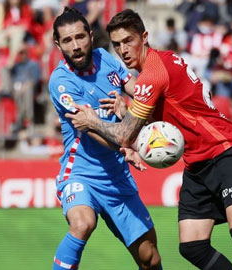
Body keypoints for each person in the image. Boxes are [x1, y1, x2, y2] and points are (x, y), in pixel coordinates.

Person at [66, 9, 232, 270]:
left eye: (128, 41)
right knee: (192, 246)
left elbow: (123, 136)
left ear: (144, 37)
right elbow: (166, 118)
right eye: (117, 44)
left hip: (225, 150)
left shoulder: (152, 75)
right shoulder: (162, 61)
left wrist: (92, 122)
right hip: (197, 163)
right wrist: (128, 112)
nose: (123, 50)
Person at [48, 7, 162, 270]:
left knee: (150, 258)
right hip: (80, 173)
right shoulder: (61, 82)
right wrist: (127, 143)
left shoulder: (105, 58)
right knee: (82, 223)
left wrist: (149, 100)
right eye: (67, 40)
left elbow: (136, 90)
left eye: (80, 37)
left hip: (117, 177)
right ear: (58, 44)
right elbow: (89, 127)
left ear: (91, 35)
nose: (75, 46)